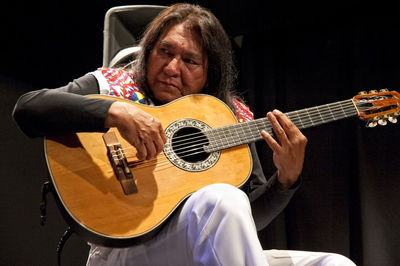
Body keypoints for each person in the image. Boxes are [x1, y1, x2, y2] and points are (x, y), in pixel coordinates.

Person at [13, 3, 356, 266]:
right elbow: (28, 108)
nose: (173, 68)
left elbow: (242, 220)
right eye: (165, 52)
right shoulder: (114, 85)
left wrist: (285, 182)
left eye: (190, 61)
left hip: (197, 249)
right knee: (222, 199)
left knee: (335, 262)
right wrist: (113, 111)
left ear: (210, 73)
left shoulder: (226, 117)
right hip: (124, 250)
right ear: (149, 50)